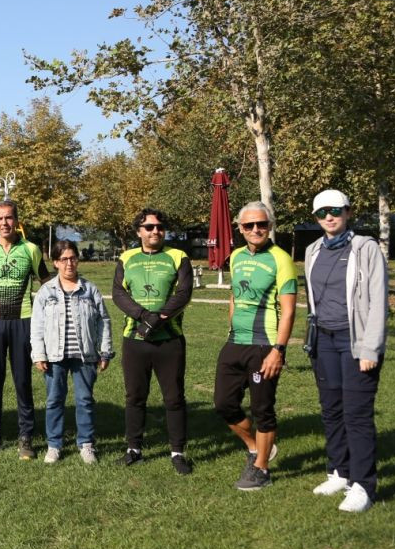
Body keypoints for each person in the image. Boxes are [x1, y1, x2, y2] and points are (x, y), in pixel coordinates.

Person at [304, 190, 387, 513]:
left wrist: (370, 347)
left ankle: (363, 485)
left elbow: (378, 301)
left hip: (355, 341)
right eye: (322, 212)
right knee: (332, 409)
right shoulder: (313, 251)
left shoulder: (365, 249)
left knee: (357, 414)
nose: (329, 216)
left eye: (335, 210)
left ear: (348, 212)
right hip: (323, 341)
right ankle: (339, 471)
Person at [215, 201, 297, 491]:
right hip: (235, 342)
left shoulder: (281, 258)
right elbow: (235, 297)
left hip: (265, 346)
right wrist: (232, 325)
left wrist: (279, 350)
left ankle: (261, 468)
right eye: (249, 225)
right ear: (240, 228)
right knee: (224, 404)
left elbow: (288, 310)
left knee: (263, 409)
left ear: (270, 226)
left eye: (261, 224)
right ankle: (256, 448)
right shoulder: (235, 256)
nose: (256, 229)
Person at [111, 208, 195, 474]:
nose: (155, 231)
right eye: (149, 227)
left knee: (174, 398)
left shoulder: (178, 256)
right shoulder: (127, 257)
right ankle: (133, 449)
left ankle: (178, 452)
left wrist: (157, 320)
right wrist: (143, 317)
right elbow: (117, 293)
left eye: (159, 227)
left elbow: (183, 293)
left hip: (169, 339)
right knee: (135, 396)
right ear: (139, 231)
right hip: (134, 339)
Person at [0, 200, 50, 459]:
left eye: (9, 218)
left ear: (16, 220)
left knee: (22, 380)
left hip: (23, 321)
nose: (4, 223)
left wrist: (42, 308)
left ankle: (26, 435)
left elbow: (46, 281)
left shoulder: (31, 249)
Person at [30, 240, 113, 464]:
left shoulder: (90, 289)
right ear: (55, 263)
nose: (69, 263)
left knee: (85, 400)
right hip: (54, 357)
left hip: (84, 355)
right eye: (64, 259)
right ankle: (54, 445)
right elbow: (36, 324)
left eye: (73, 258)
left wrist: (105, 352)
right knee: (54, 400)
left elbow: (103, 321)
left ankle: (86, 444)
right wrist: (39, 354)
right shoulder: (46, 292)